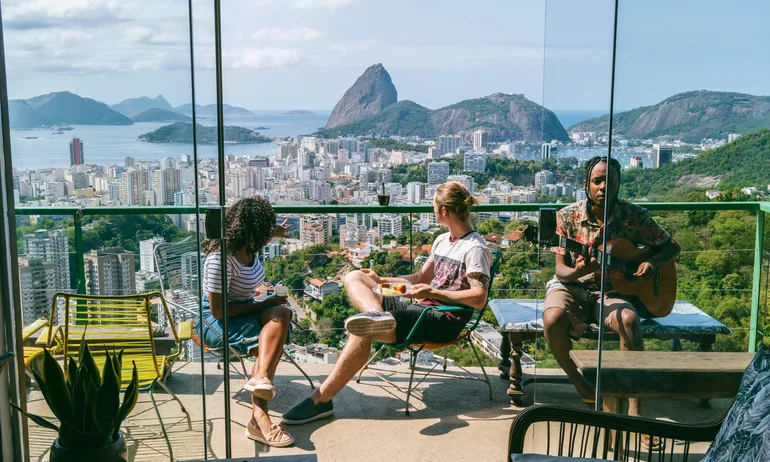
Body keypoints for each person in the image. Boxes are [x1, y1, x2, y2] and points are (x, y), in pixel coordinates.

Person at [281, 181, 492, 425]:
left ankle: (321, 399)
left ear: (444, 211)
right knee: (355, 276)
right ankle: (375, 314)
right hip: (419, 308)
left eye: (434, 207)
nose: (432, 211)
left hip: (442, 318)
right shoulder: (442, 240)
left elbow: (478, 297)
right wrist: (381, 280)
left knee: (363, 330)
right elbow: (419, 279)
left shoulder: (474, 249)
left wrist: (435, 292)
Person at [542, 156, 680, 423]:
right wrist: (580, 270)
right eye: (597, 181)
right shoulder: (567, 216)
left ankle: (635, 411)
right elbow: (561, 271)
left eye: (610, 180)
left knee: (629, 320)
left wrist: (651, 262)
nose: (603, 186)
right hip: (573, 286)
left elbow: (672, 247)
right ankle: (584, 388)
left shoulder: (634, 216)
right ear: (586, 184)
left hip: (613, 293)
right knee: (552, 319)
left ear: (619, 184)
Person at [200, 196, 295, 447]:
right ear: (251, 230)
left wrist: (276, 232)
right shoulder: (221, 259)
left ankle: (260, 378)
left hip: (245, 309)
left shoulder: (249, 244)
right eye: (265, 229)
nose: (268, 237)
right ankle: (260, 418)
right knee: (267, 344)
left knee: (283, 315)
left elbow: (264, 230)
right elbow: (218, 311)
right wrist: (265, 303)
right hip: (216, 322)